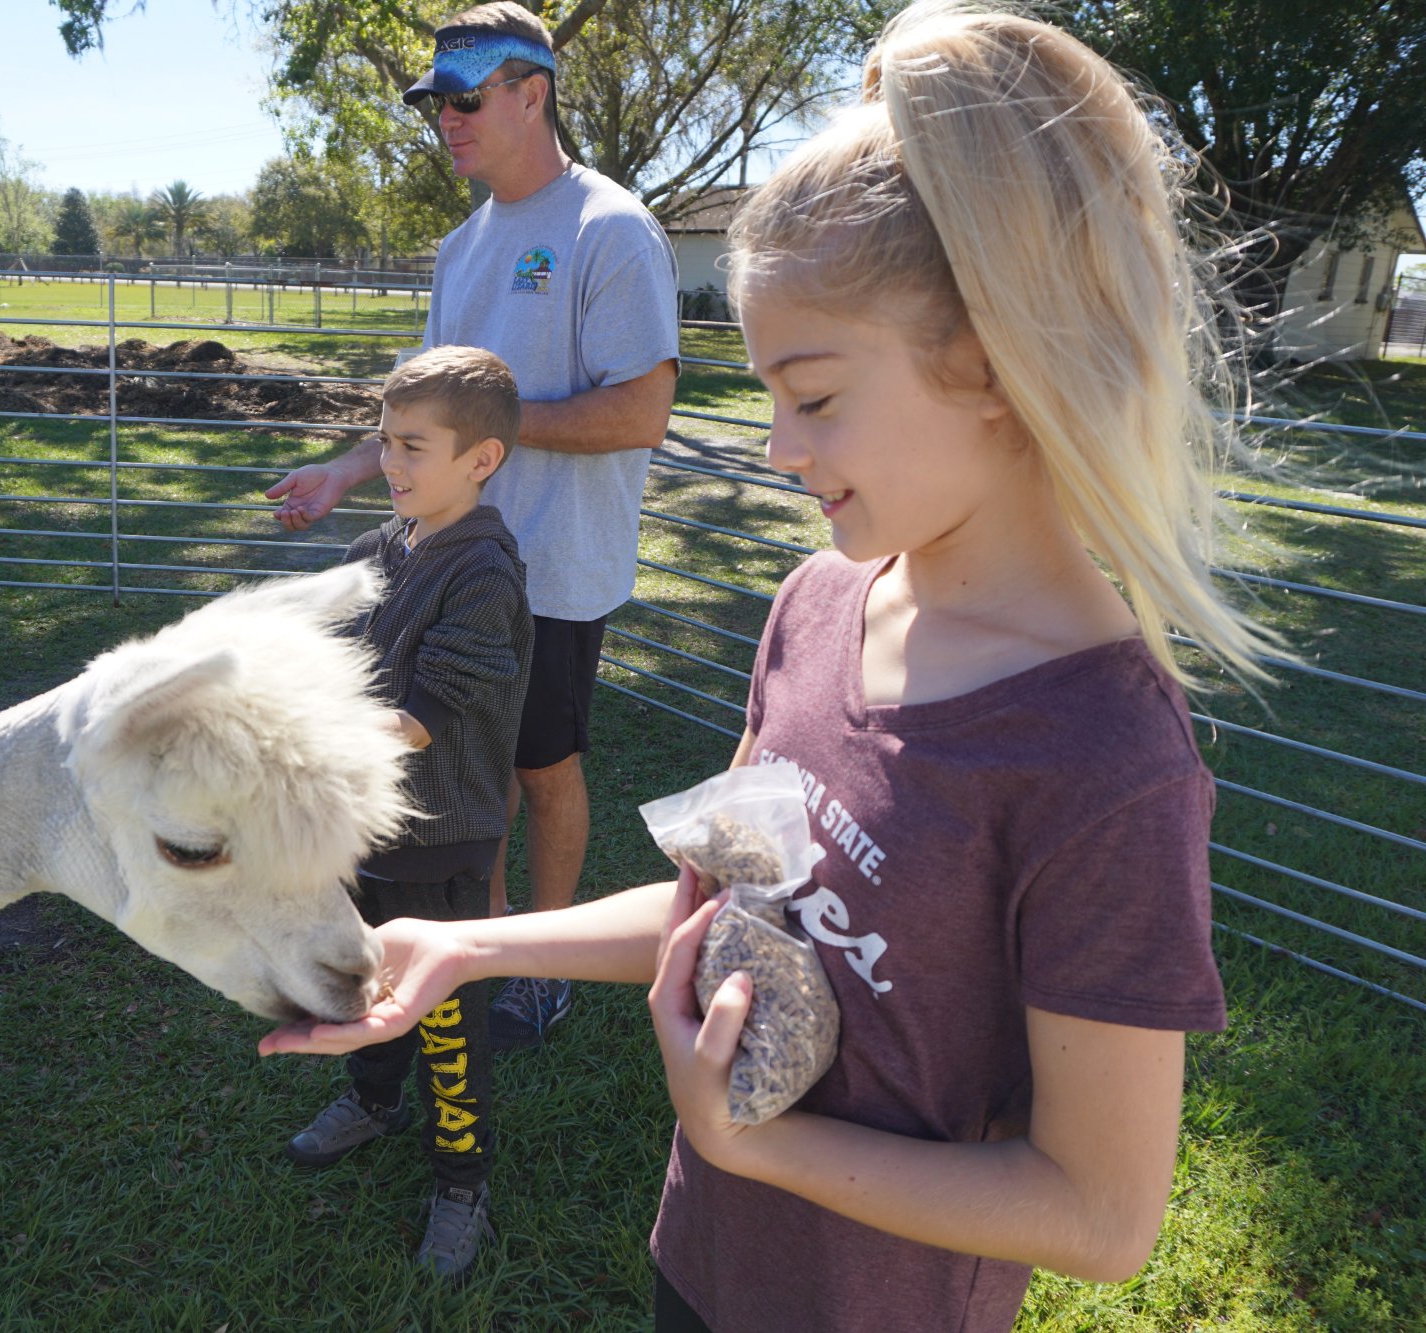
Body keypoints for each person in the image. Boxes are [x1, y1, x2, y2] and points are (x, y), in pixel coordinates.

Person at [260, 4, 1286, 1328]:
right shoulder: (814, 605)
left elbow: (1099, 1212)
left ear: (989, 367)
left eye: (812, 395)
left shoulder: (1106, 758)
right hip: (698, 1254)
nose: (774, 449)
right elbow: (714, 904)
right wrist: (459, 941)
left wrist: (762, 1142)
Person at [265, 1, 679, 1052]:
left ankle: (542, 960)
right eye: (432, 105)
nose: (443, 120)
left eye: (463, 100)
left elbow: (641, 410)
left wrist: (494, 428)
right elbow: (426, 414)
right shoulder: (462, 246)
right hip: (449, 562)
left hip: (555, 568)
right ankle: (481, 937)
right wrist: (351, 470)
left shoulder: (609, 228)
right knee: (465, 768)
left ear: (530, 93)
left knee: (541, 767)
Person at [284, 344, 533, 1284]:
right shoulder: (379, 548)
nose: (388, 463)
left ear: (481, 460)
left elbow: (419, 725)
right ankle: (372, 1101)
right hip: (368, 829)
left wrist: (287, 724)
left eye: (412, 447)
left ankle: (461, 1179)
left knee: (444, 1020)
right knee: (359, 978)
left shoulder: (481, 576)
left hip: (444, 842)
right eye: (384, 442)